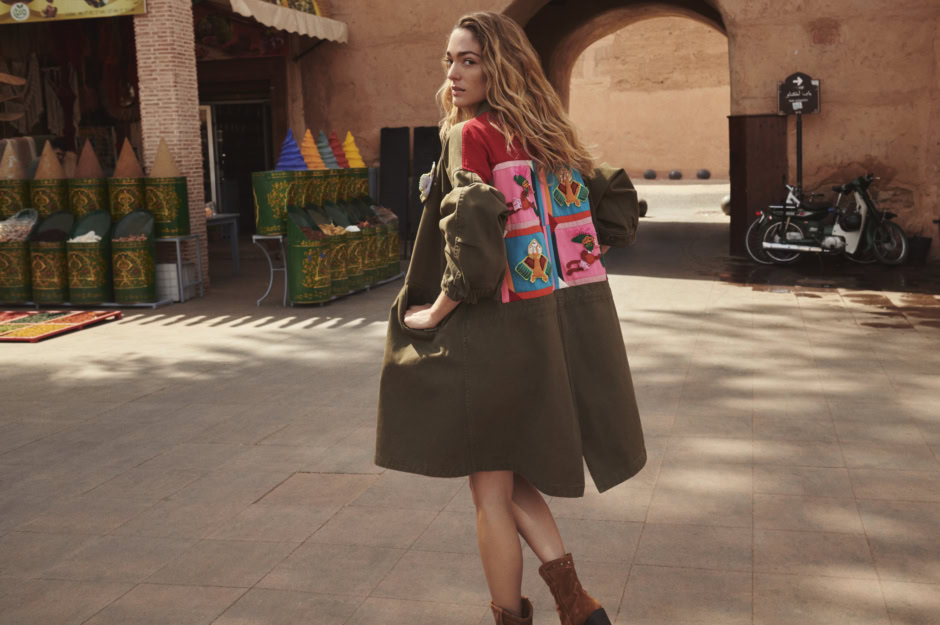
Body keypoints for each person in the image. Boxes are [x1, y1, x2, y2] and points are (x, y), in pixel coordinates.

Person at [375, 12, 645, 625]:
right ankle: (579, 608)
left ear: (500, 65)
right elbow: (612, 214)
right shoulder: (550, 136)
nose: (453, 72)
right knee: (506, 476)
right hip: (544, 323)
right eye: (450, 59)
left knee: (489, 490)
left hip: (492, 329)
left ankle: (516, 615)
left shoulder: (471, 134)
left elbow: (473, 238)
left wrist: (433, 311)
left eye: (468, 59)